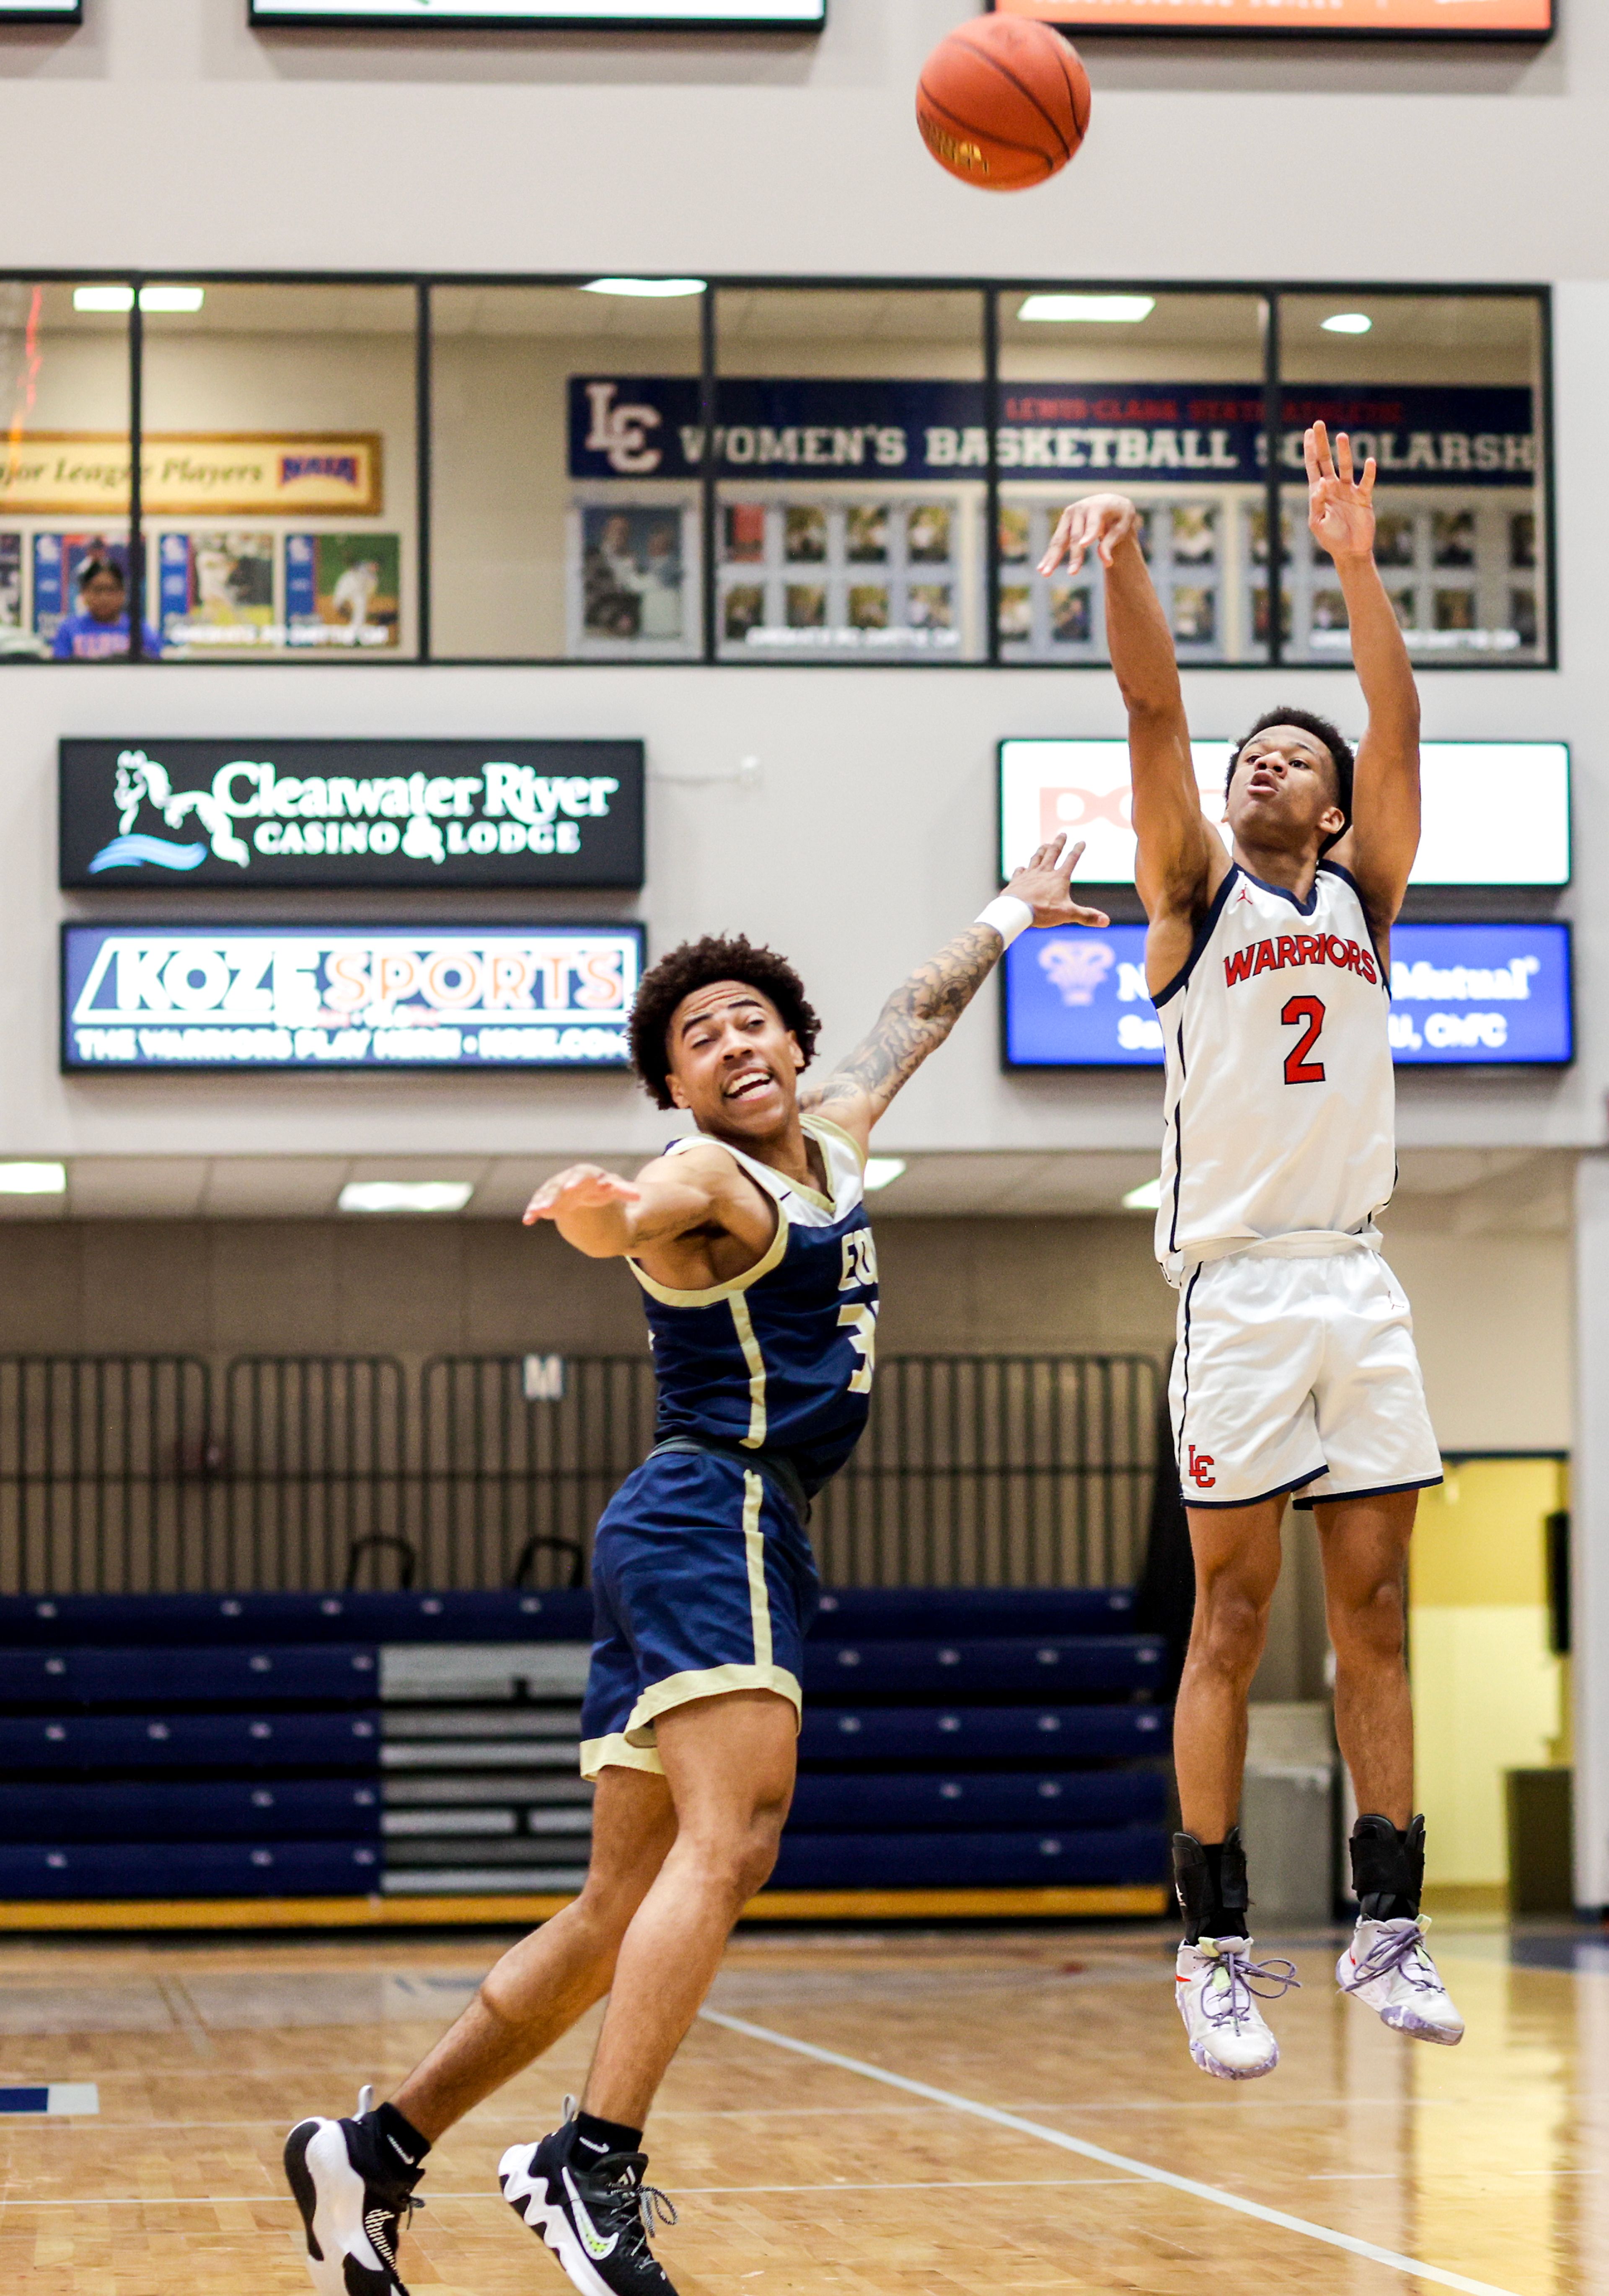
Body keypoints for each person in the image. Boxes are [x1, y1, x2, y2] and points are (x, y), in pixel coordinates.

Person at [283, 833, 1109, 2296]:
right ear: (676, 1086)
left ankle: (380, 2147)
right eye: (697, 1035)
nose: (733, 1040)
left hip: (722, 1524)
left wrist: (1012, 913)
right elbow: (632, 1215)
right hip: (709, 1507)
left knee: (620, 1903)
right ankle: (586, 2161)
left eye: (750, 1019)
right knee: (736, 1841)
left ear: (790, 1044)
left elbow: (912, 1010)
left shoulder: (837, 1132)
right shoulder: (704, 1176)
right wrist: (597, 1207)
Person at [1038, 423, 1464, 2084]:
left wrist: (1356, 559)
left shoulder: (1365, 899)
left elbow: (1401, 721)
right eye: (1251, 757)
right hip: (1236, 1286)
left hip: (1357, 1276)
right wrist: (1132, 559)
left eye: (1295, 754)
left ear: (1341, 804)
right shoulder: (1191, 901)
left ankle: (1388, 1921)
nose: (1262, 764)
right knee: (1231, 1619)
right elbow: (1155, 711)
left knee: (1376, 1616)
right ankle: (1213, 1942)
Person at [50, 555, 163, 660]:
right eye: (98, 590)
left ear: (123, 594)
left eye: (111, 590)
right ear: (84, 593)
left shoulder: (141, 632)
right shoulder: (69, 630)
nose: (104, 598)